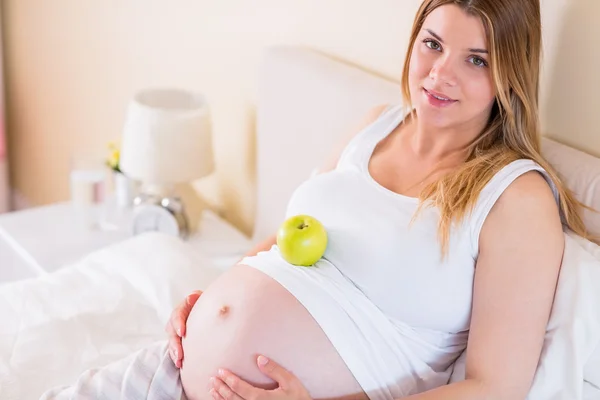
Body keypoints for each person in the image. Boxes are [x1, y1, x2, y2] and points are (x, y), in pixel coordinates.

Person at [167, 0, 590, 399]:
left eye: (476, 60)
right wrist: (206, 306)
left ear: (509, 74)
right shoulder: (375, 126)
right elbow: (283, 242)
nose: (440, 74)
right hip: (171, 371)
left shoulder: (516, 197)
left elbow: (495, 389)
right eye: (433, 44)